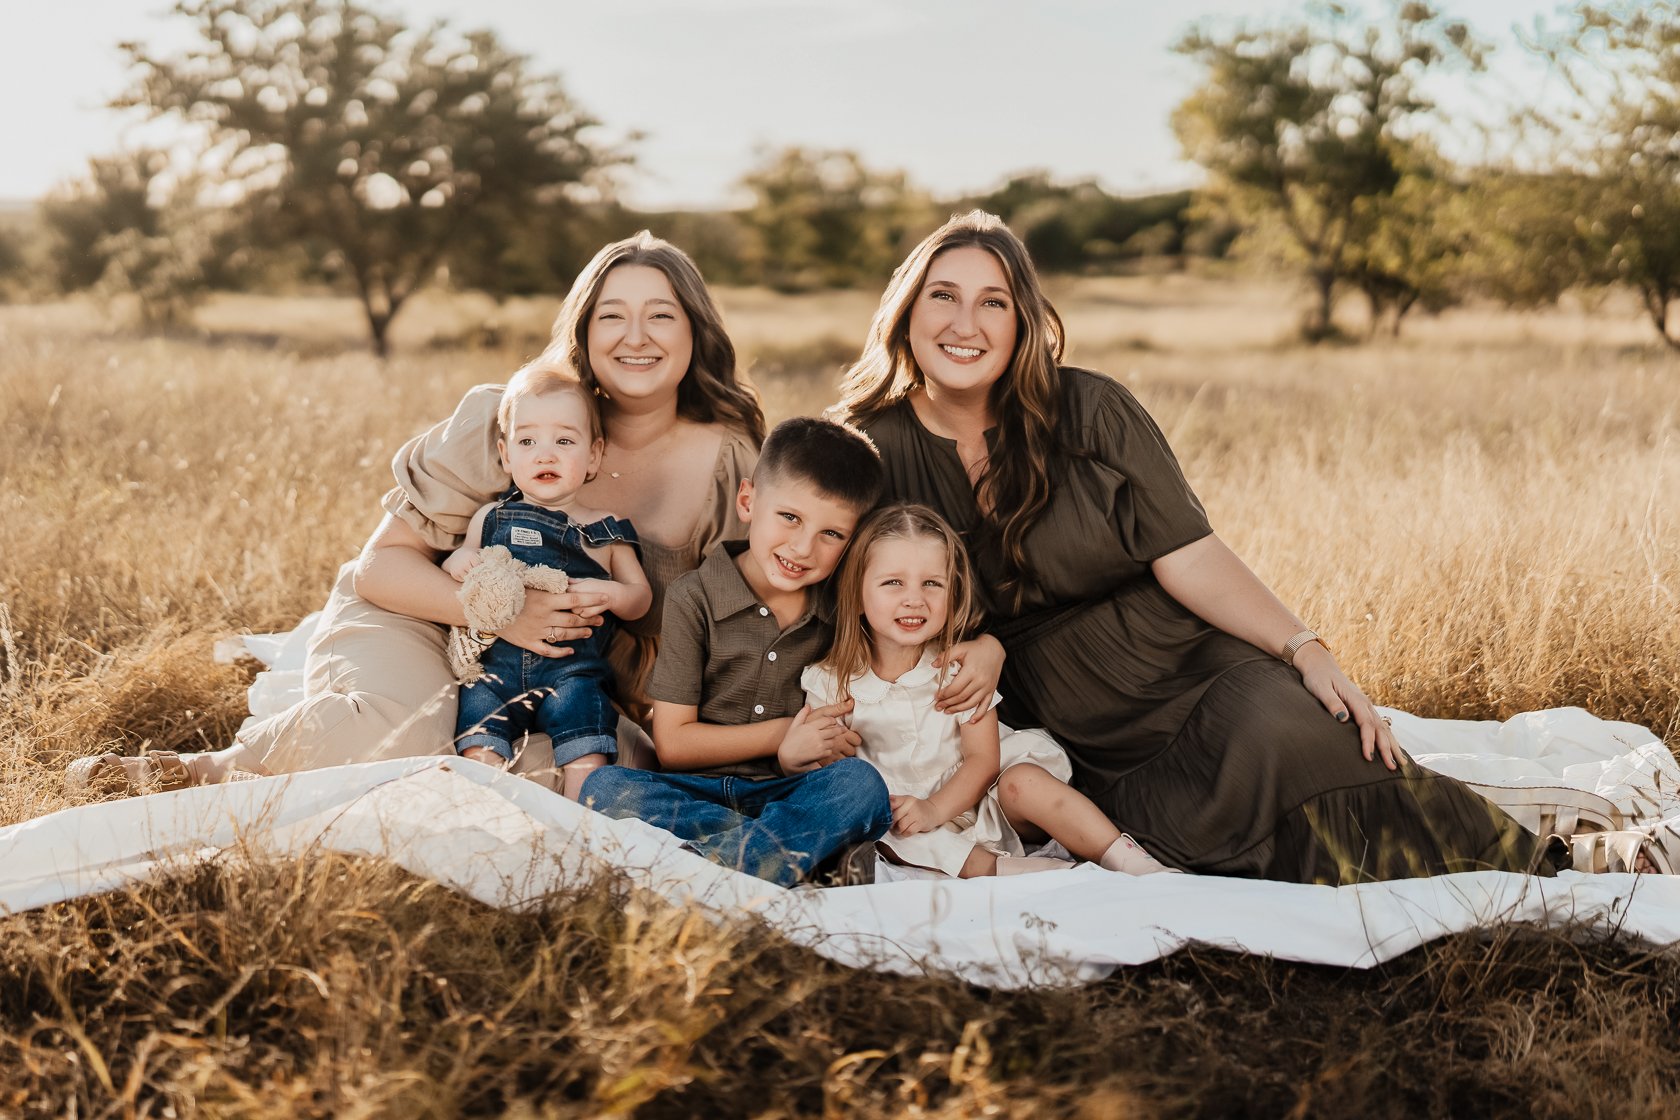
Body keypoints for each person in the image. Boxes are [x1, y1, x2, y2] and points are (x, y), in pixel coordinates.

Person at [835, 210, 1560, 886]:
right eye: (943, 297)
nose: (967, 323)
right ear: (906, 311)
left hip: (1178, 658)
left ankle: (1515, 873)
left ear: (1023, 319)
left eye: (993, 301)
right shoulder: (871, 446)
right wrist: (985, 641)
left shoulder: (1091, 409)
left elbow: (1190, 555)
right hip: (1052, 714)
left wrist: (1304, 647)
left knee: (1288, 728)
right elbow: (837, 592)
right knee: (1170, 828)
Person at [66, 231, 763, 795]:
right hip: (423, 616)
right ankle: (208, 769)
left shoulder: (733, 465)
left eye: (660, 314)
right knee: (404, 740)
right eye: (612, 314)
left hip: (569, 670)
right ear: (585, 328)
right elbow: (382, 569)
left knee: (601, 781)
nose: (634, 336)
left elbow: (736, 627)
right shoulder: (515, 417)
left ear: (695, 330)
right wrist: (500, 610)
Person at [580, 418, 893, 888]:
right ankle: (792, 859)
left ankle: (713, 868)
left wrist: (985, 647)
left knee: (860, 786)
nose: (803, 547)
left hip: (791, 791)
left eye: (832, 534)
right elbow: (674, 744)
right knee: (603, 788)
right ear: (748, 501)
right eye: (790, 517)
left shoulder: (845, 607)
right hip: (697, 790)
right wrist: (786, 735)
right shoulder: (695, 598)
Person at [802, 502, 1175, 879]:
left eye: (932, 583)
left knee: (1024, 782)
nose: (914, 598)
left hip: (986, 797)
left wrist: (935, 807)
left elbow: (983, 760)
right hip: (909, 819)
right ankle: (1019, 872)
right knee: (884, 827)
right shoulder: (831, 682)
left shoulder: (957, 669)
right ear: (857, 593)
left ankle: (1129, 861)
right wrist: (802, 758)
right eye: (892, 582)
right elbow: (824, 770)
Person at [447, 359, 652, 800]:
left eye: (564, 440)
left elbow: (640, 599)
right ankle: (484, 802)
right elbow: (461, 558)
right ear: (506, 454)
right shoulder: (492, 517)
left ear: (593, 455)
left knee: (586, 721)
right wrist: (460, 563)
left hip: (572, 672)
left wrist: (614, 593)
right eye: (528, 441)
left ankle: (581, 814)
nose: (546, 453)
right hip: (496, 670)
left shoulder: (606, 530)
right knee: (479, 719)